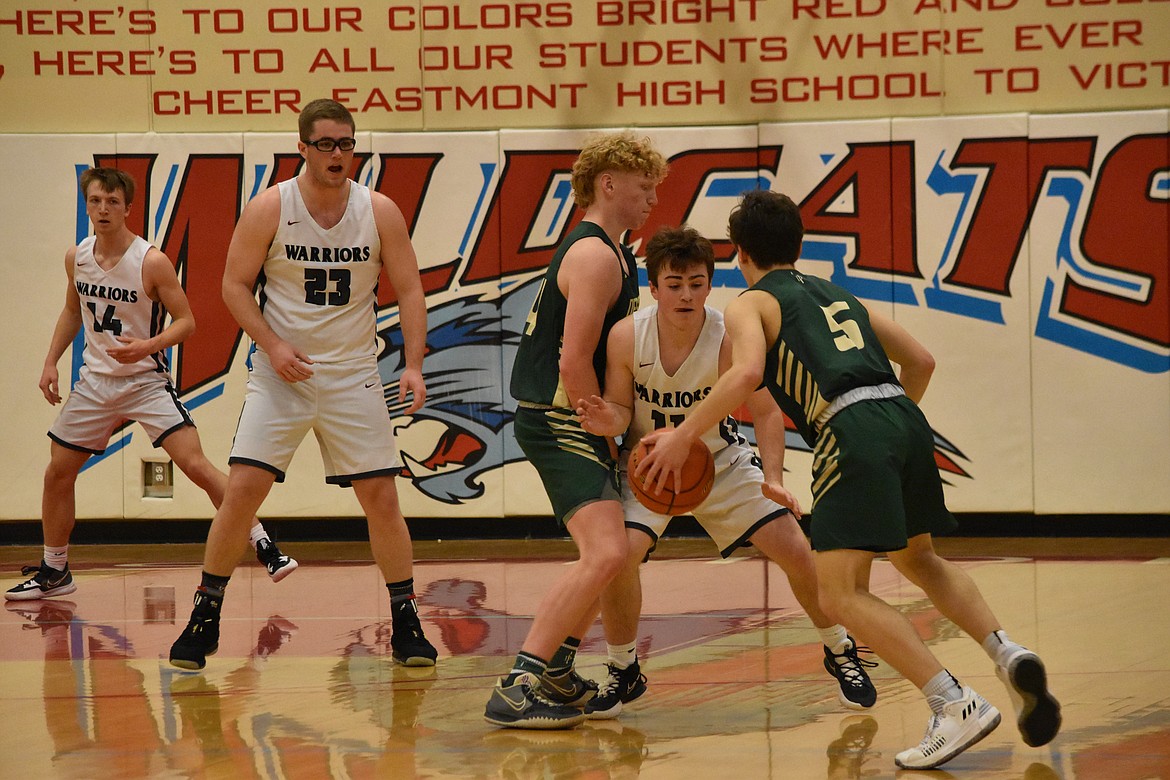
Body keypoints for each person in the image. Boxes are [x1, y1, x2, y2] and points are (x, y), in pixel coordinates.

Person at [635, 190, 1061, 770]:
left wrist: (684, 433)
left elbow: (749, 372)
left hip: (850, 426)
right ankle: (1008, 653)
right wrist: (888, 431)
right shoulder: (839, 293)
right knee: (919, 559)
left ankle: (952, 702)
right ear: (799, 244)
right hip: (906, 421)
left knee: (837, 593)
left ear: (739, 255)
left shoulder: (750, 302)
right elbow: (922, 362)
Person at [168, 99, 435, 671]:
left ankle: (407, 620)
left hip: (353, 374)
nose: (339, 155)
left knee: (382, 499)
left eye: (347, 144)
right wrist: (273, 343)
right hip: (281, 373)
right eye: (327, 145)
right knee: (242, 491)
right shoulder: (271, 207)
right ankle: (205, 614)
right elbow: (234, 285)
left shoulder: (379, 209)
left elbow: (410, 290)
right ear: (303, 149)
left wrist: (413, 365)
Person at [576, 225, 876, 718]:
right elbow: (620, 408)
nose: (686, 294)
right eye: (674, 284)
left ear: (711, 284)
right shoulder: (627, 336)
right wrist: (609, 418)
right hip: (649, 466)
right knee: (618, 556)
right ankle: (622, 668)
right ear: (653, 288)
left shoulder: (726, 338)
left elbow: (764, 412)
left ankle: (839, 649)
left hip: (719, 460)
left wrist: (774, 478)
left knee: (797, 550)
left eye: (697, 282)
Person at [6, 168, 297, 603]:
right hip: (95, 383)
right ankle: (55, 568)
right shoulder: (77, 257)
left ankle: (262, 543)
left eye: (112, 202)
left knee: (196, 465)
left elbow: (187, 322)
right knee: (57, 473)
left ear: (128, 208)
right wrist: (51, 362)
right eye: (96, 201)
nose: (103, 209)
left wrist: (148, 346)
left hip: (145, 381)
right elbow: (72, 311)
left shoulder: (151, 261)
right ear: (87, 205)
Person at [484, 131, 668, 729]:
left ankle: (560, 673)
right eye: (644, 188)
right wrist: (609, 430)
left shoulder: (613, 250)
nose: (651, 201)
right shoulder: (592, 255)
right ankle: (520, 683)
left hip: (571, 417)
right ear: (607, 184)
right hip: (561, 417)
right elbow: (572, 359)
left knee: (611, 556)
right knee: (608, 552)